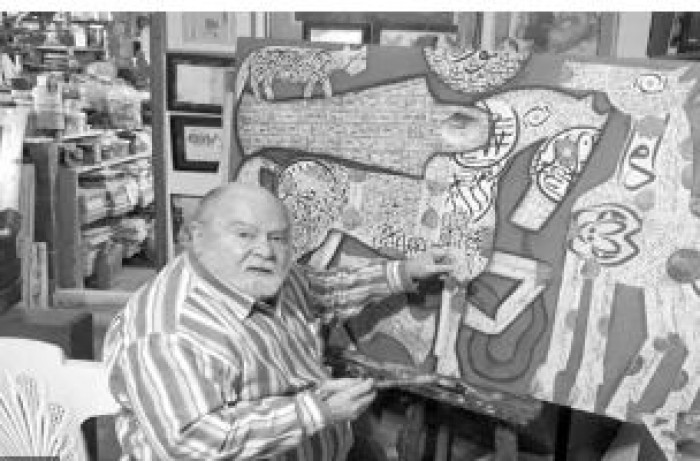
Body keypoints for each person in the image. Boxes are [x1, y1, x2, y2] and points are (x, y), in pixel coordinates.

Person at [103, 182, 455, 461]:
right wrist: (316, 411)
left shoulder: (267, 276)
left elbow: (322, 290)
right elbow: (192, 444)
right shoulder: (169, 331)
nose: (266, 250)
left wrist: (405, 272)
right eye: (244, 235)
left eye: (278, 237)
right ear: (196, 237)